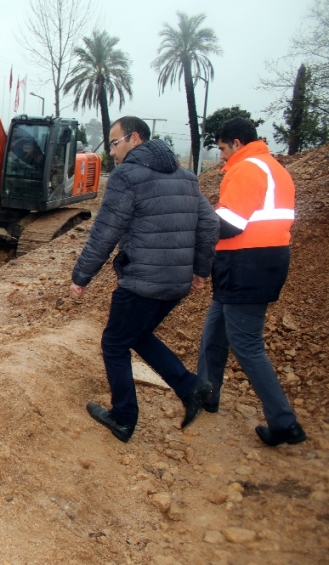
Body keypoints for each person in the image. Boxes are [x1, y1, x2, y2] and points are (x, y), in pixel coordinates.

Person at [70, 116, 219, 443]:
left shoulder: (127, 177)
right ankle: (191, 387)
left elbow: (104, 233)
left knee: (113, 344)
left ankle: (123, 418)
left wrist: (81, 276)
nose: (111, 152)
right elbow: (210, 226)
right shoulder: (186, 176)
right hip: (176, 284)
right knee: (136, 335)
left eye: (114, 142)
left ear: (134, 138)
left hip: (142, 283)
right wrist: (199, 270)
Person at [197, 118, 305, 446]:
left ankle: (284, 423)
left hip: (247, 266)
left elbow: (230, 224)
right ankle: (205, 394)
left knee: (246, 345)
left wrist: (196, 221)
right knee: (214, 333)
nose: (222, 157)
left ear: (237, 143)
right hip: (254, 263)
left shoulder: (246, 169)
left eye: (223, 149)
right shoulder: (273, 168)